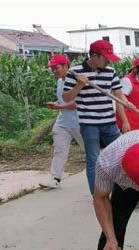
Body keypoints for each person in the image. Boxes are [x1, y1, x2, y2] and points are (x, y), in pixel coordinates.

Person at [63, 40, 134, 195]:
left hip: (110, 123)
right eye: (105, 57)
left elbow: (118, 96)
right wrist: (79, 85)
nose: (108, 61)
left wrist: (126, 119)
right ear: (94, 56)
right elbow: (67, 98)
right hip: (89, 125)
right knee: (94, 161)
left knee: (121, 157)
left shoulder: (110, 72)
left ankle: (123, 192)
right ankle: (98, 196)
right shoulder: (75, 73)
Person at [39, 54, 84, 189]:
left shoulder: (78, 81)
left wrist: (60, 106)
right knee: (59, 150)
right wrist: (57, 104)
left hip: (79, 122)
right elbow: (63, 99)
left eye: (56, 67)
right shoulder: (60, 82)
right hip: (63, 122)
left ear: (66, 66)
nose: (53, 71)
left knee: (91, 152)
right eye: (51, 68)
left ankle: (105, 177)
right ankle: (55, 178)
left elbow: (79, 102)